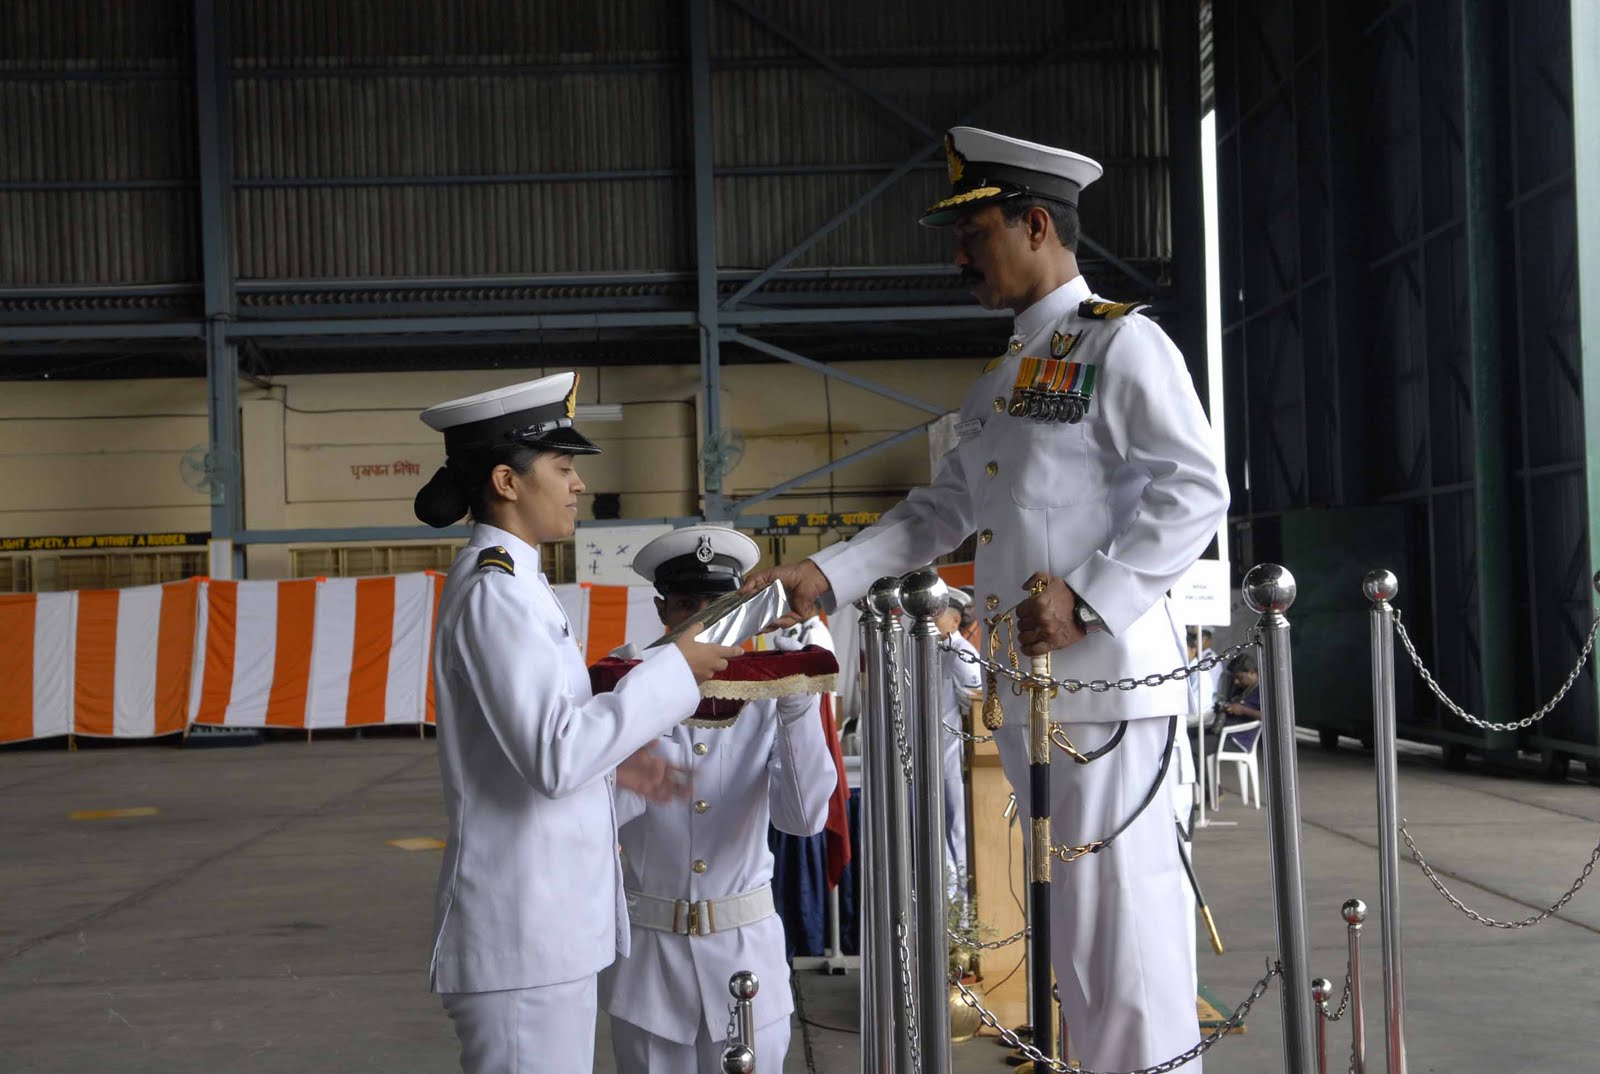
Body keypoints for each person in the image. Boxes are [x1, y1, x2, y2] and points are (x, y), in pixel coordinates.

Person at [745, 126, 1229, 1070]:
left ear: (1037, 224)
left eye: (976, 231)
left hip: (1109, 697)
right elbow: (943, 511)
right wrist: (827, 573)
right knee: (1078, 953)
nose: (959, 252)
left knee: (1126, 948)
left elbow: (1197, 487)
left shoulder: (1123, 344)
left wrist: (1090, 598)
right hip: (1035, 700)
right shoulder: (1004, 378)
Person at [414, 373, 744, 1074]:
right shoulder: (496, 590)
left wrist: (620, 771)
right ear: (507, 480)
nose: (577, 485)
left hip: (545, 930)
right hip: (523, 933)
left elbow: (542, 749)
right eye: (562, 468)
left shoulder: (520, 584)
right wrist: (674, 666)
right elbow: (557, 757)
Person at [600, 524, 836, 1072]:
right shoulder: (620, 690)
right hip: (650, 966)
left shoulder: (764, 696)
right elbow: (598, 820)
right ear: (663, 610)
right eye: (687, 604)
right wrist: (644, 721)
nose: (703, 620)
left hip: (744, 957)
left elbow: (804, 819)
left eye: (718, 603)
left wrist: (797, 703)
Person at [938, 586, 984, 896]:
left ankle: (962, 909)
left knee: (957, 830)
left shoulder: (960, 652)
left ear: (955, 621)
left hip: (951, 753)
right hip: (933, 751)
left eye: (938, 613)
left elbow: (976, 701)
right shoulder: (932, 647)